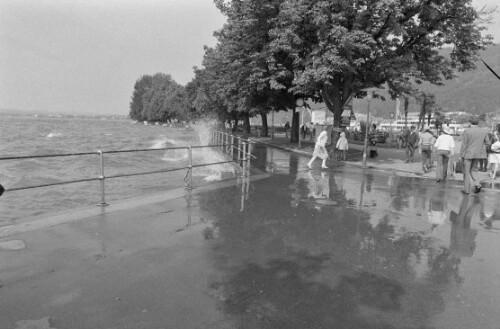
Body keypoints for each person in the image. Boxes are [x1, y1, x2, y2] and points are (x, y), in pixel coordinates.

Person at [460, 116, 489, 194]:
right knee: (473, 170)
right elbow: (488, 142)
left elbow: (464, 145)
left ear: (470, 122)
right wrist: (480, 146)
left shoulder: (467, 131)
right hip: (477, 154)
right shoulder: (484, 131)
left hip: (468, 153)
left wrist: (461, 155)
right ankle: (477, 184)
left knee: (466, 171)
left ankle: (466, 190)